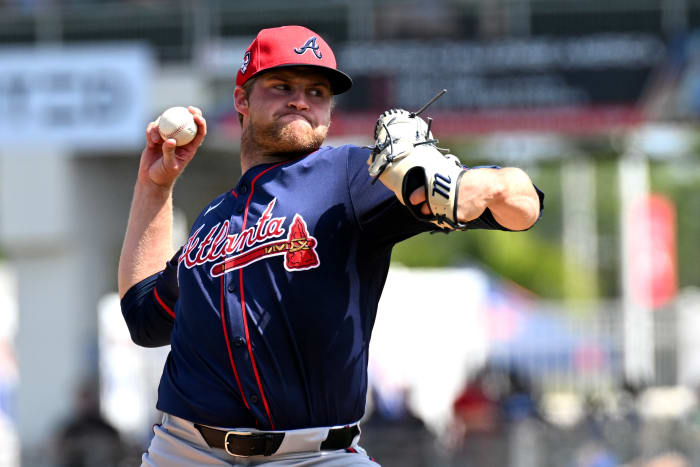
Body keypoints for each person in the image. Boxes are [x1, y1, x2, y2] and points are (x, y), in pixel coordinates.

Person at [118, 25, 543, 466]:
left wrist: (472, 187)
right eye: (281, 86)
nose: (300, 99)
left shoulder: (353, 178)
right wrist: (155, 186)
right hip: (186, 452)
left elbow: (523, 203)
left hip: (315, 456)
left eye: (317, 91)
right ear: (241, 100)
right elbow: (143, 318)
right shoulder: (213, 220)